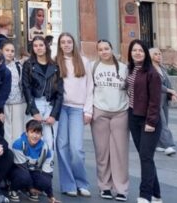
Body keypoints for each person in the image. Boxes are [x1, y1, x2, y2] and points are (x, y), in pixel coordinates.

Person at [89, 40, 128, 201]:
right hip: (100, 111)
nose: (104, 52)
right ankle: (104, 187)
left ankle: (121, 189)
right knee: (102, 152)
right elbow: (88, 89)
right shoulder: (93, 67)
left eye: (106, 49)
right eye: (100, 50)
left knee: (120, 152)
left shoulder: (124, 68)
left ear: (112, 49)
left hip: (121, 112)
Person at [55, 32, 93, 197]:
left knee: (76, 148)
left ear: (73, 44)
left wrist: (88, 110)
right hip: (61, 108)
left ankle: (81, 183)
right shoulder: (56, 62)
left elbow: (90, 87)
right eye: (63, 42)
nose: (66, 45)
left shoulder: (84, 62)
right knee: (62, 146)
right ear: (59, 45)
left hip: (78, 109)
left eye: (69, 42)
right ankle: (68, 184)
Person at [125, 39, 162, 203]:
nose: (137, 53)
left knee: (146, 157)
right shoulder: (130, 69)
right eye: (134, 50)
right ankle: (156, 194)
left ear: (145, 53)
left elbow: (155, 100)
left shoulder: (152, 73)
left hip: (148, 120)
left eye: (140, 50)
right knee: (145, 157)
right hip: (133, 116)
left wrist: (151, 122)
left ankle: (145, 195)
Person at [21, 36, 61, 168]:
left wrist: (54, 115)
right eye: (35, 46)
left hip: (50, 105)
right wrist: (34, 111)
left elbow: (60, 92)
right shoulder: (28, 65)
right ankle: (31, 169)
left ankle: (47, 170)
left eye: (41, 45)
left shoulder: (55, 66)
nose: (38, 48)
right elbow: (26, 88)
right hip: (35, 103)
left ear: (46, 46)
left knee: (49, 140)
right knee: (33, 138)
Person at [9, 120, 56, 203]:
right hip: (17, 171)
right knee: (23, 177)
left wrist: (50, 195)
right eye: (32, 132)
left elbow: (48, 174)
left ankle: (30, 190)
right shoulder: (18, 144)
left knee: (45, 182)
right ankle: (13, 189)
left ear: (41, 135)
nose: (35, 136)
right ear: (26, 133)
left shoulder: (45, 148)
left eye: (38, 133)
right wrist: (31, 187)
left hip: (32, 172)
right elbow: (22, 169)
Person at [148, 48, 177, 156]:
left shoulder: (162, 68)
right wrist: (169, 90)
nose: (159, 56)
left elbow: (167, 83)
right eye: (155, 54)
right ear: (150, 56)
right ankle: (168, 145)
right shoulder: (149, 69)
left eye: (159, 54)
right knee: (163, 122)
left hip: (164, 99)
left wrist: (172, 94)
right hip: (154, 99)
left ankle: (159, 144)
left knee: (164, 121)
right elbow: (154, 84)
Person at [0, 42, 25, 144]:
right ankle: (7, 152)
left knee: (18, 132)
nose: (10, 53)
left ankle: (18, 154)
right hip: (3, 104)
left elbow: (22, 83)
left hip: (18, 102)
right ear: (1, 51)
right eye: (7, 50)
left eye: (12, 51)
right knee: (5, 132)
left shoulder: (18, 66)